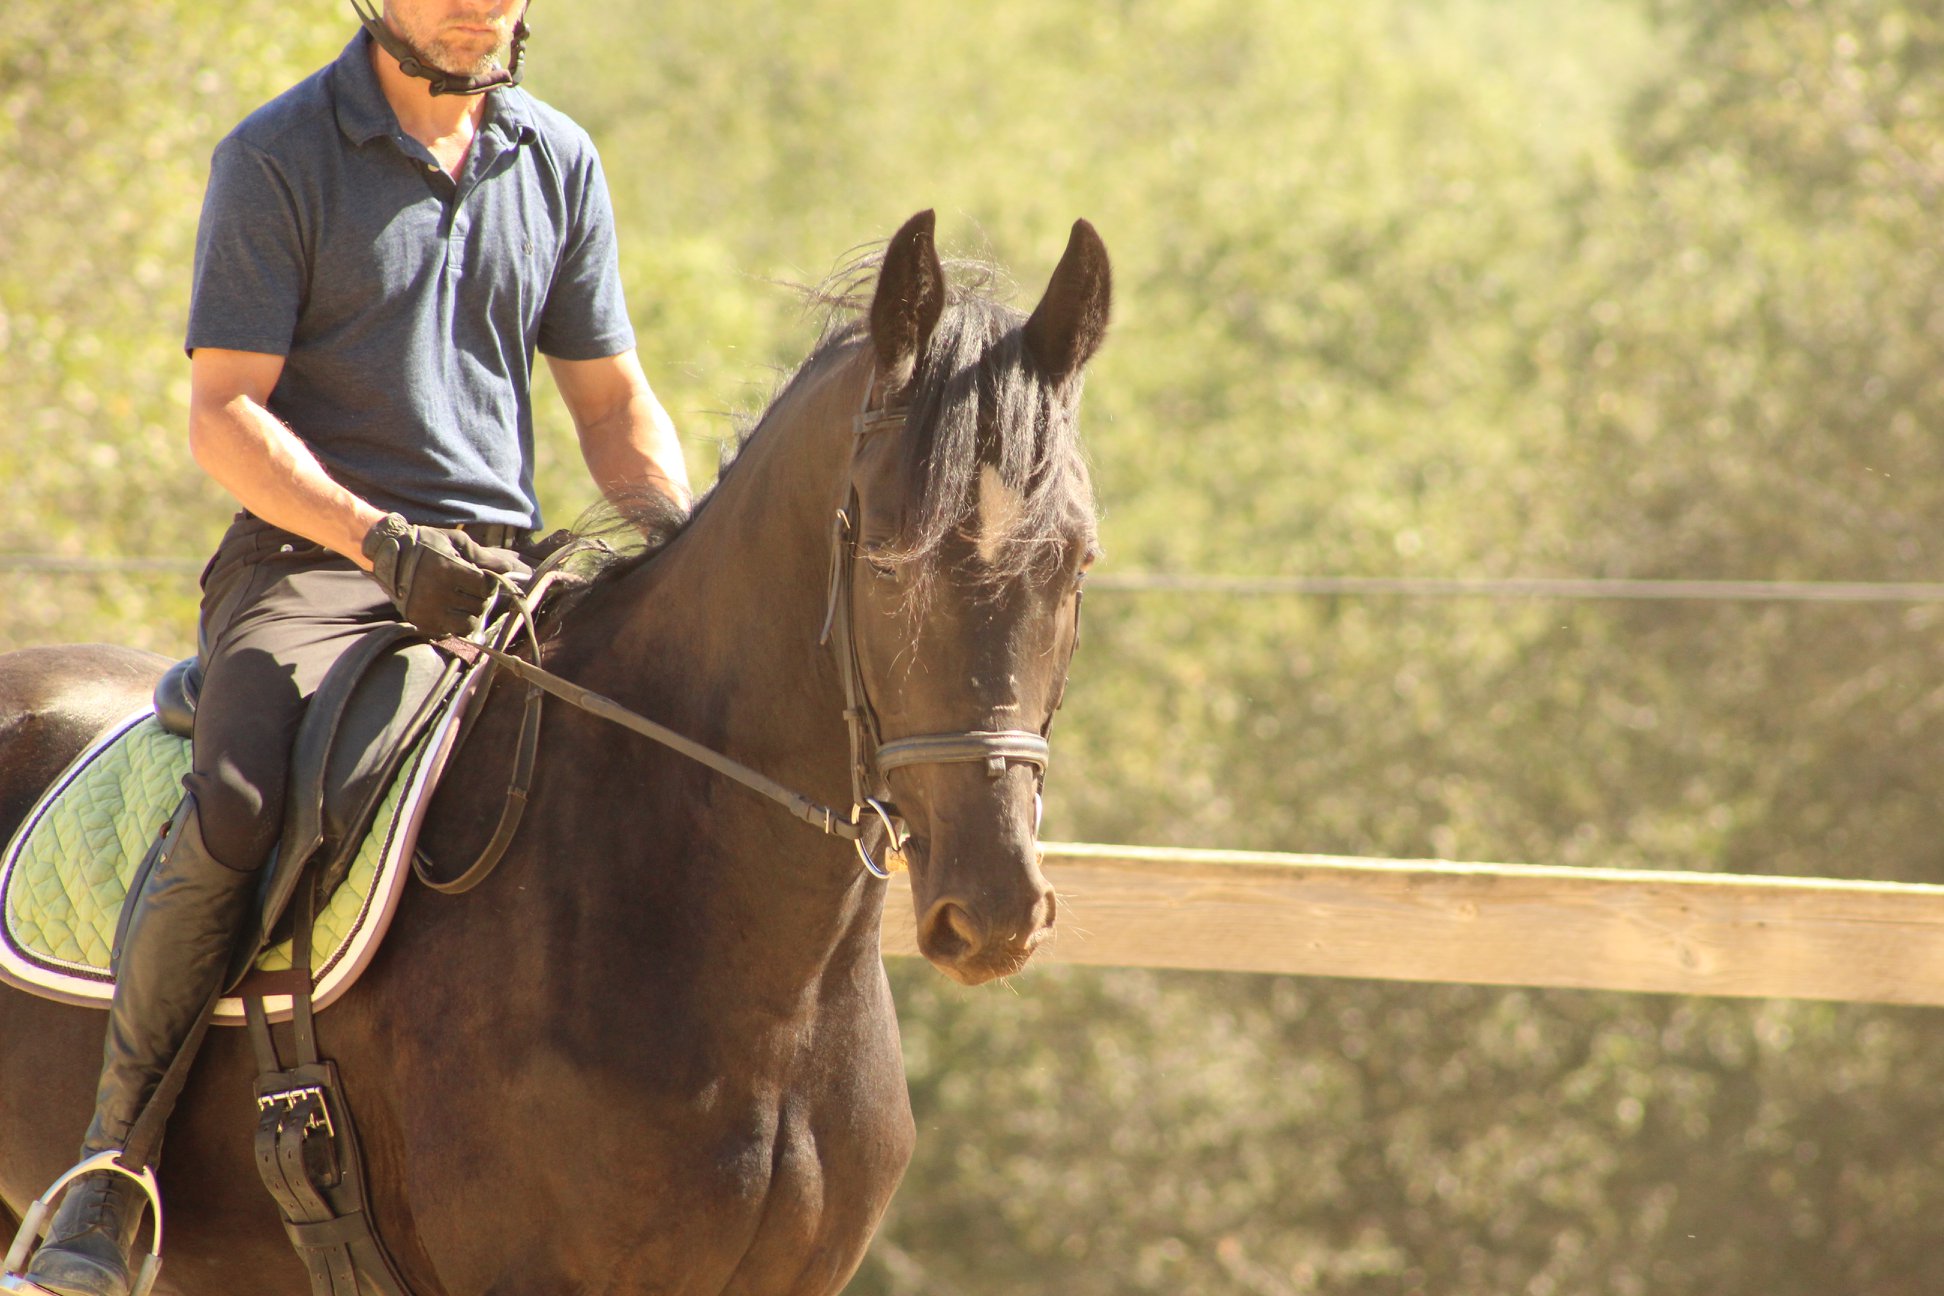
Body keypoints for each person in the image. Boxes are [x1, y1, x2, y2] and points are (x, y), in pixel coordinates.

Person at [8, 2, 691, 1292]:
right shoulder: (277, 155)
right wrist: (379, 540)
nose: (477, 2)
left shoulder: (556, 158)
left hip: (498, 574)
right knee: (239, 795)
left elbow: (611, 405)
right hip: (310, 563)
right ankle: (107, 1172)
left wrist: (678, 545)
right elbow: (225, 414)